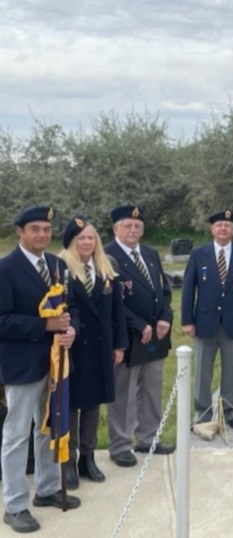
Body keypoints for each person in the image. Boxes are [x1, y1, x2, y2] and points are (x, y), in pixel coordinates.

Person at [0, 206, 80, 534]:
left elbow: (69, 308)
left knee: (48, 426)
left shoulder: (57, 264)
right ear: (20, 231)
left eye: (47, 229)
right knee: (17, 435)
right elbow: (2, 321)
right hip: (21, 365)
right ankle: (15, 505)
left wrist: (71, 328)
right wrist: (45, 325)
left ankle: (46, 489)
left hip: (54, 363)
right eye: (35, 229)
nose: (42, 235)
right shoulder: (6, 268)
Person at [59, 216, 127, 489]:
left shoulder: (106, 267)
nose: (86, 242)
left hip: (100, 346)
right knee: (72, 404)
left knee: (93, 404)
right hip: (73, 348)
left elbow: (117, 310)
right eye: (81, 238)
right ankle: (69, 462)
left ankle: (88, 458)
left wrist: (119, 343)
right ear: (71, 242)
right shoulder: (61, 268)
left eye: (90, 237)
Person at [105, 205, 174, 467]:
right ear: (115, 229)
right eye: (128, 226)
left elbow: (164, 291)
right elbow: (113, 301)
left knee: (152, 388)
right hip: (128, 335)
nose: (133, 230)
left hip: (156, 334)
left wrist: (166, 317)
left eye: (138, 226)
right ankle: (120, 444)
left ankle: (148, 438)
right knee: (124, 392)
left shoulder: (150, 253)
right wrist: (139, 324)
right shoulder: (107, 256)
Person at [181, 210, 233, 429]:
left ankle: (231, 411)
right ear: (212, 229)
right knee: (203, 369)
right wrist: (187, 320)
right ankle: (202, 411)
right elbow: (188, 289)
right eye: (219, 225)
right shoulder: (199, 254)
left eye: (227, 225)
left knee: (232, 369)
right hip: (204, 322)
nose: (223, 229)